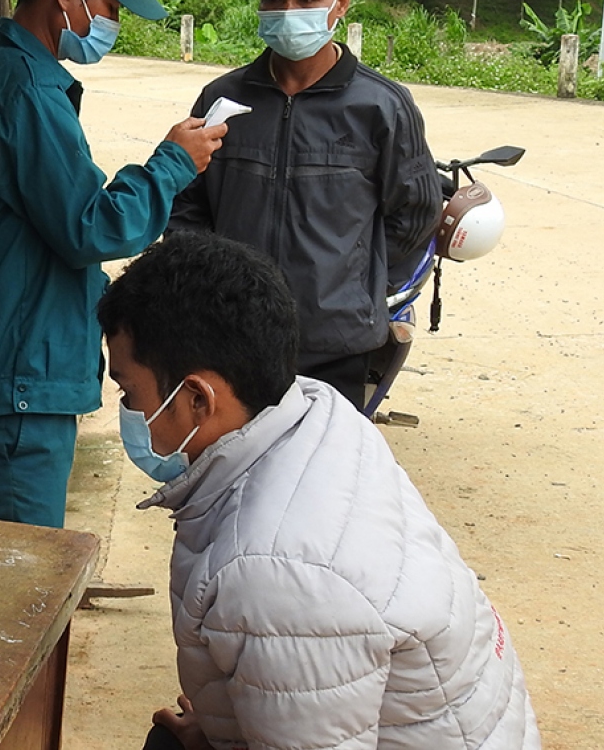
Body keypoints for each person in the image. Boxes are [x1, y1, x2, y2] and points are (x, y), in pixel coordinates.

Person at [98, 231, 540, 750]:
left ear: (198, 398)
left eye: (130, 392)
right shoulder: (318, 416)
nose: (128, 409)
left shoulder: (275, 574)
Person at [0, 0, 227, 528]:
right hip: (19, 381)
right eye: (109, 4)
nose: (113, 22)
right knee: (15, 580)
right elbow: (92, 227)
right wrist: (173, 163)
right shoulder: (24, 94)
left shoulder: (18, 82)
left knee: (10, 567)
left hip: (21, 372)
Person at [168, 0, 444, 409]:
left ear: (341, 2)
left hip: (335, 344)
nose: (288, 13)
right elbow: (188, 205)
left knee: (322, 477)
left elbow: (417, 214)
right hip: (233, 339)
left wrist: (355, 281)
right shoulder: (223, 100)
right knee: (233, 476)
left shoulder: (382, 107)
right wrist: (213, 287)